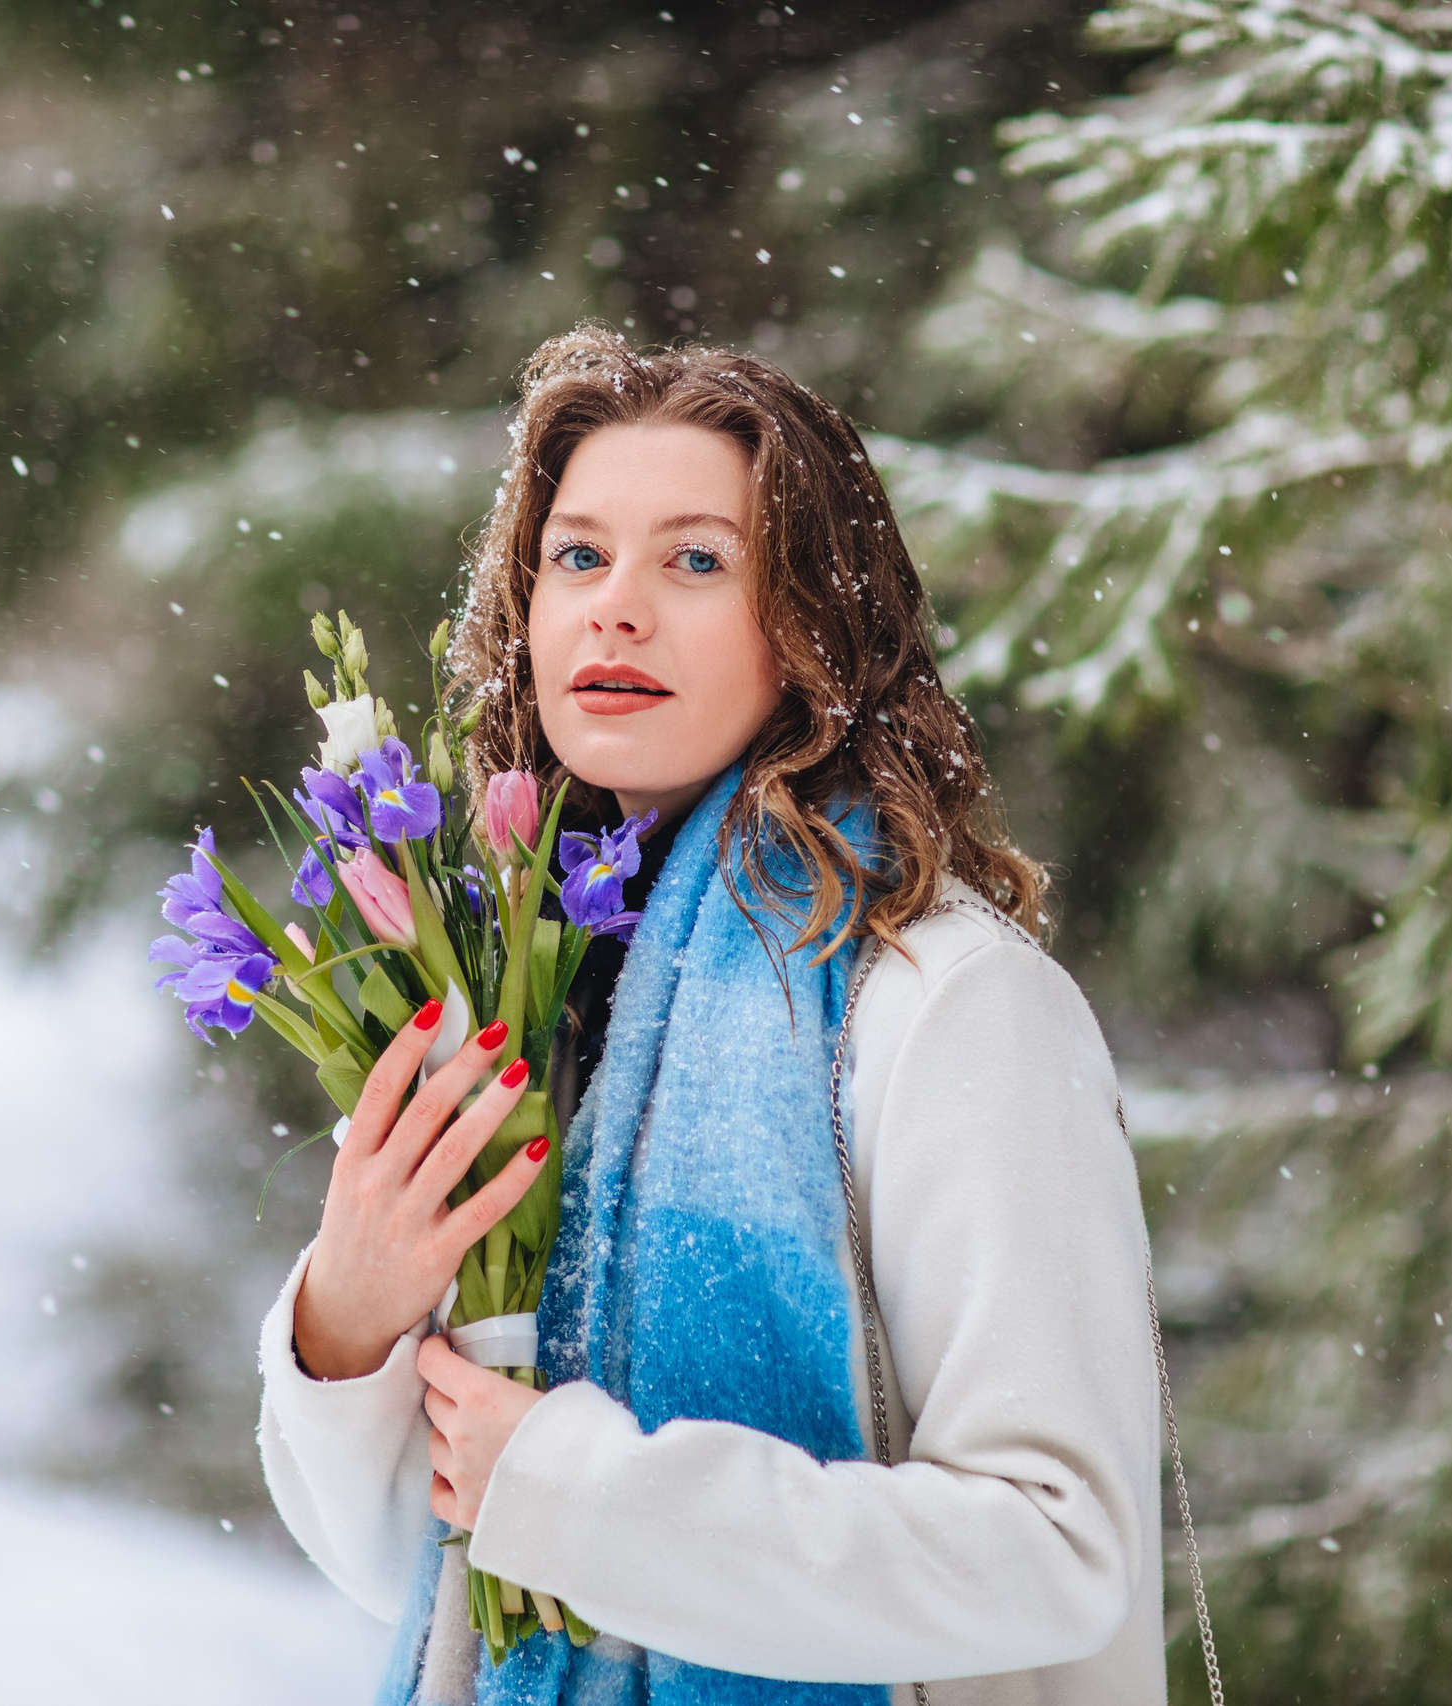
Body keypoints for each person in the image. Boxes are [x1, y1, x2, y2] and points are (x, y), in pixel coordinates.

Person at [258, 326, 1166, 1706]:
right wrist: (346, 1337)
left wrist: (583, 1492)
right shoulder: (529, 994)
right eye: (578, 556)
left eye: (696, 560)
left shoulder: (952, 1010)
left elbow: (1052, 1548)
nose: (617, 608)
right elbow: (440, 1578)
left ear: (813, 628)